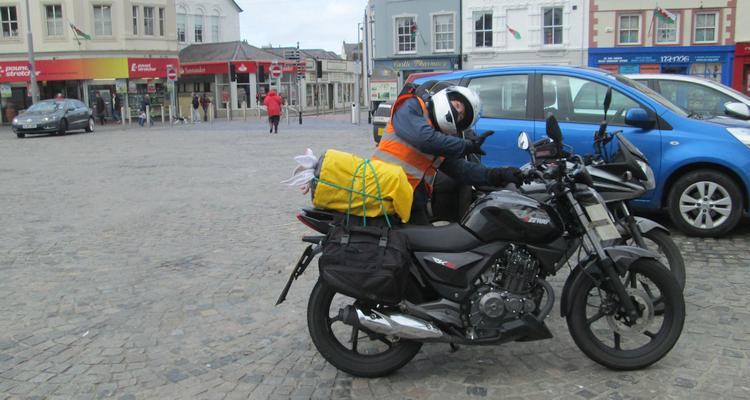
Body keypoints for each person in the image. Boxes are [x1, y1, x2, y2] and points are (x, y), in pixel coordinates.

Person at [371, 81, 523, 225]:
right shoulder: (411, 106)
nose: (457, 112)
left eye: (462, 115)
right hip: (380, 191)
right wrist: (466, 146)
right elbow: (424, 138)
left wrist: (500, 174)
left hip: (407, 200)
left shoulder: (440, 141)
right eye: (457, 105)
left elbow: (462, 169)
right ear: (446, 97)